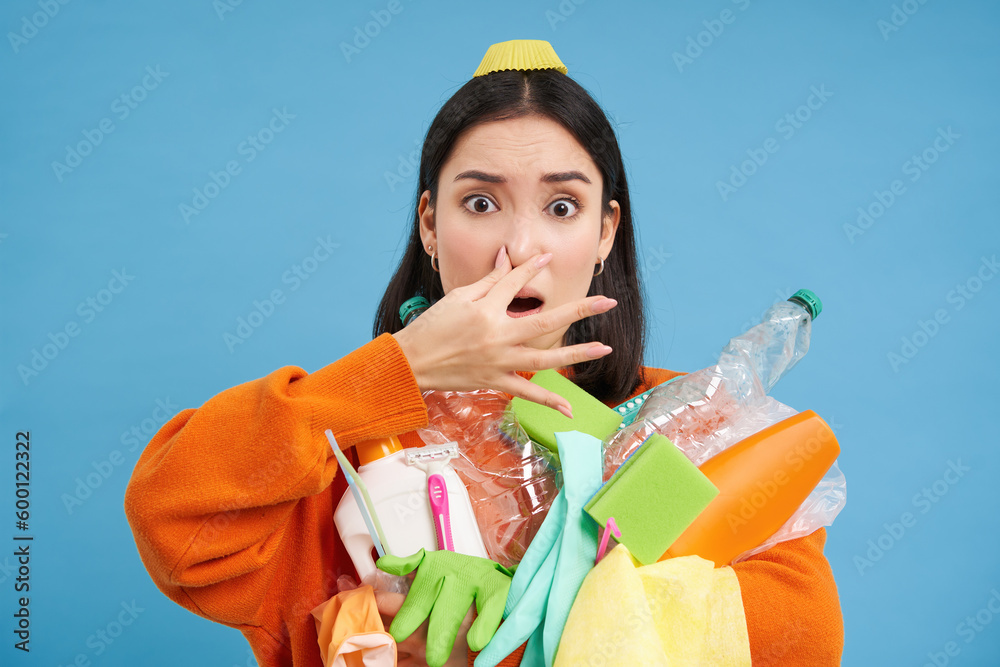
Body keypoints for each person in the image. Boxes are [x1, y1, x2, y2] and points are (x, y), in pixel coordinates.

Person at [124, 39, 843, 666]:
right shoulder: (340, 454)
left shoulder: (694, 428)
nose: (519, 248)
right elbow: (172, 516)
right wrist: (401, 369)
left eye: (561, 207)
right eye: (480, 203)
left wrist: (516, 624)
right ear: (429, 226)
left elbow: (803, 637)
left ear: (604, 233)